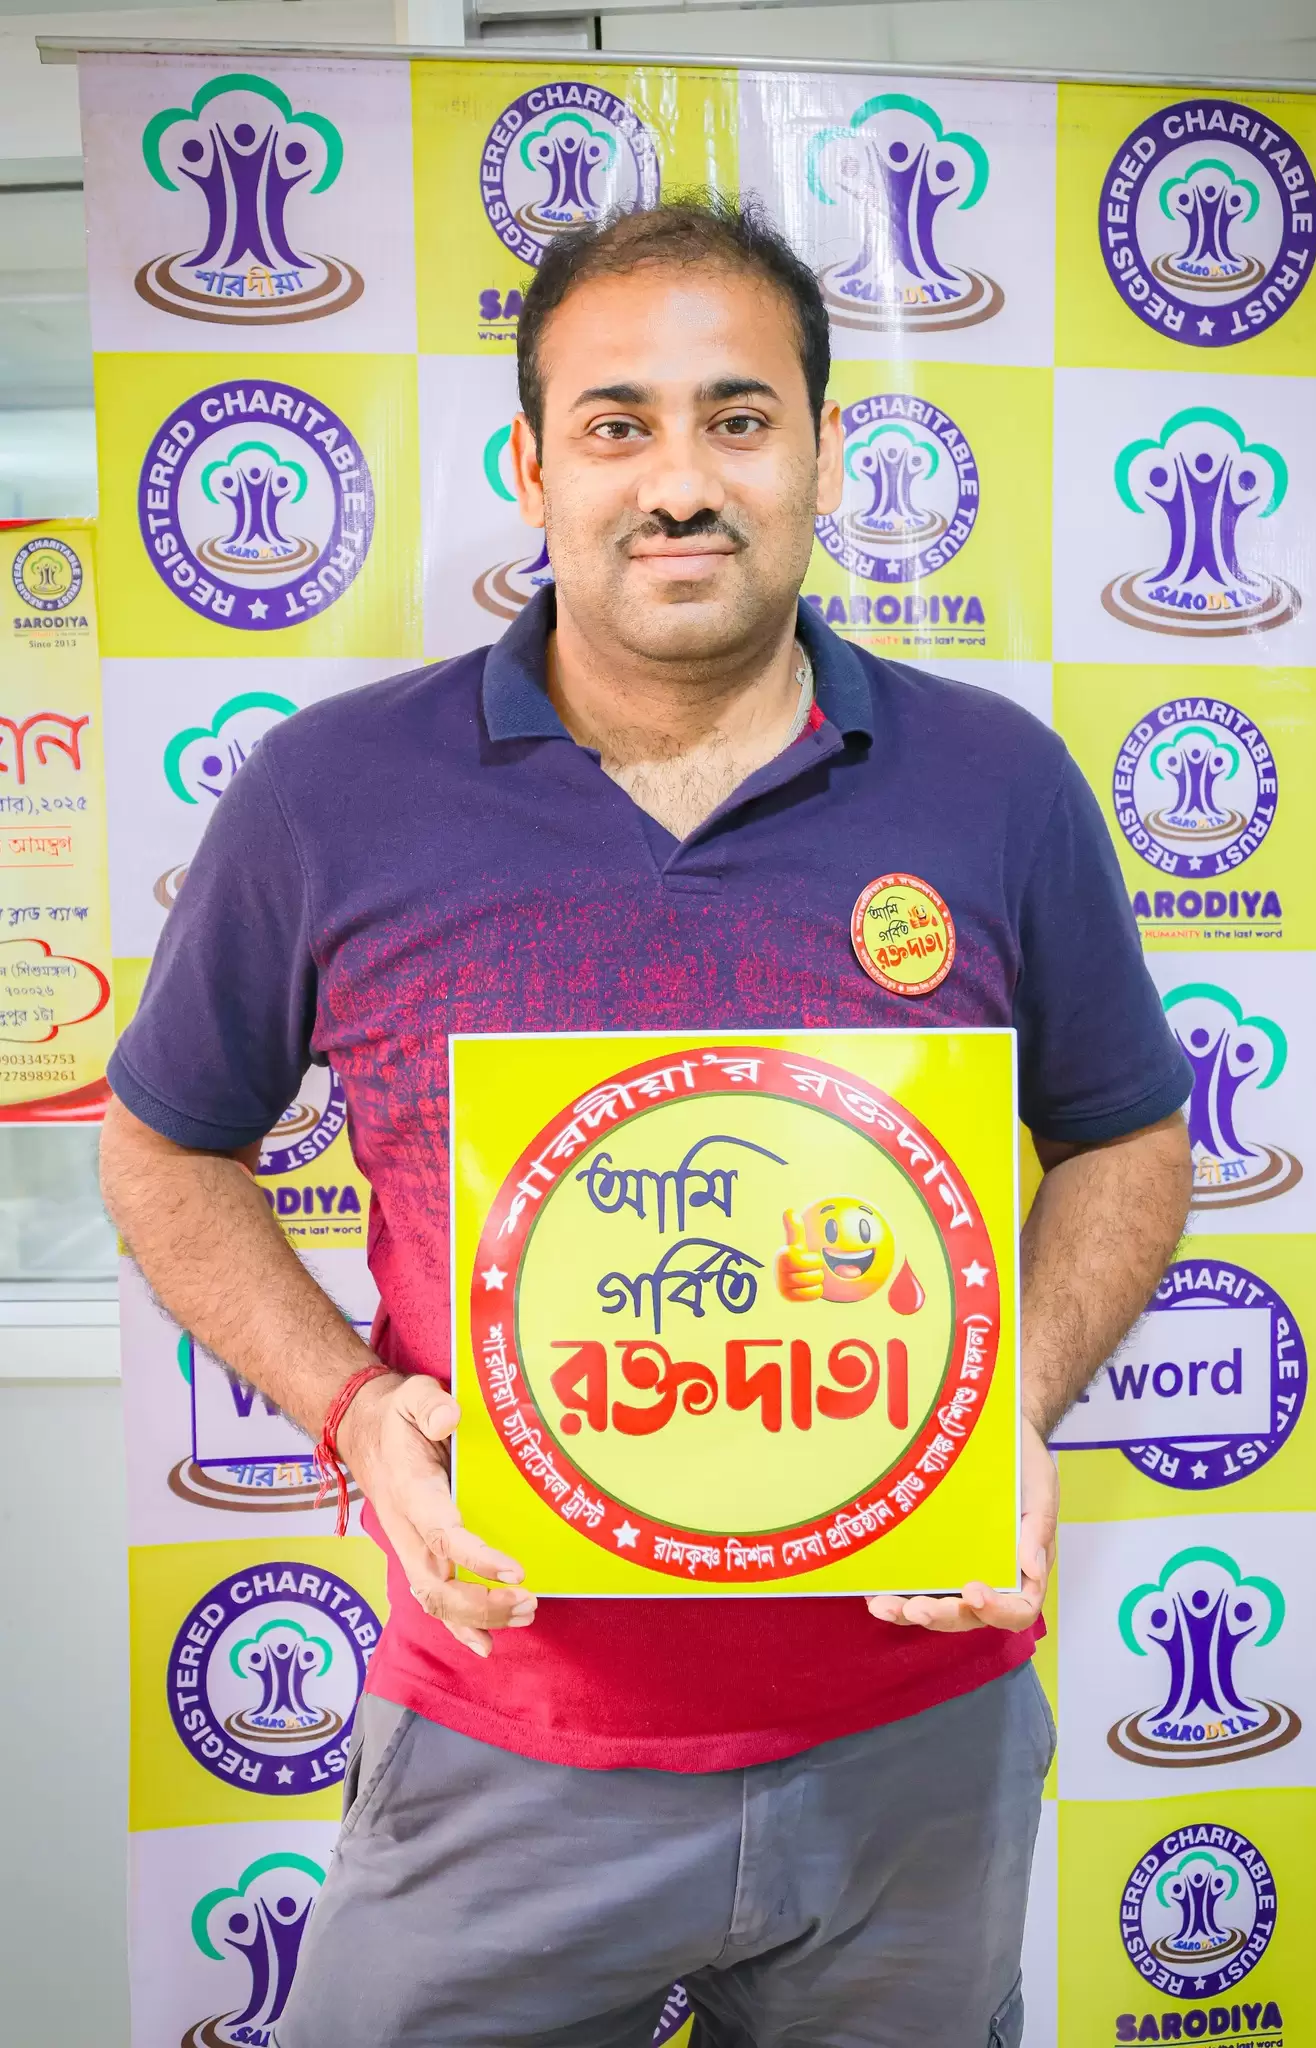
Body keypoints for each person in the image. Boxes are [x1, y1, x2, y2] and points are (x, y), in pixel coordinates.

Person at [100, 196, 1194, 2048]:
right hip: (503, 1727)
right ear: (535, 468)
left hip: (918, 1740)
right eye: (618, 424)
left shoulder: (1000, 782)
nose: (679, 481)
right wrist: (352, 1410)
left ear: (824, 450)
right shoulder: (327, 792)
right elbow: (161, 1141)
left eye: (736, 417)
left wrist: (1013, 1397)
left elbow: (1129, 1133)